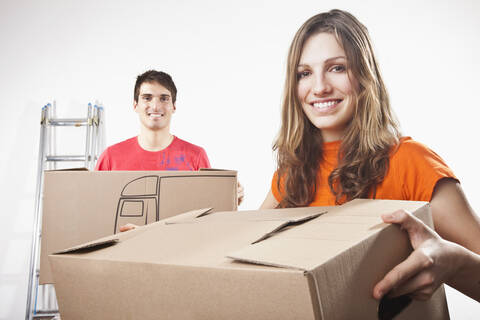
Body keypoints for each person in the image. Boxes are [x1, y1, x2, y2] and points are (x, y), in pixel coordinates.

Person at [259, 9, 480, 301]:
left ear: (364, 75)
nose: (320, 87)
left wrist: (455, 264)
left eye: (337, 68)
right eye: (305, 73)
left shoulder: (411, 162)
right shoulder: (291, 174)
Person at [96, 70, 244, 215]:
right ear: (135, 105)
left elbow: (208, 214)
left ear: (173, 106)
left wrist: (228, 198)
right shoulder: (111, 157)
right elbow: (96, 208)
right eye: (147, 98)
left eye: (164, 98)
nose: (155, 106)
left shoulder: (195, 156)